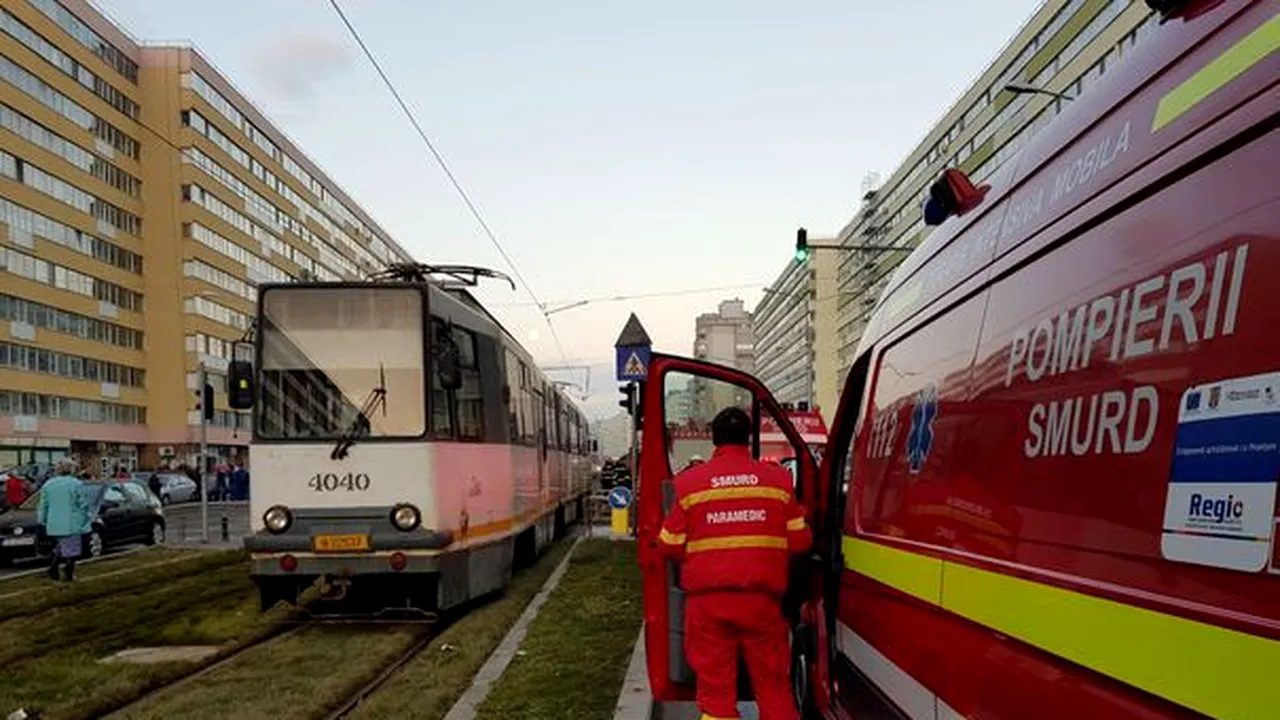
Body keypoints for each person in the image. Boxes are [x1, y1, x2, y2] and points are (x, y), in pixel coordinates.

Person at [658, 407, 812, 720]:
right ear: (748, 438)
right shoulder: (778, 481)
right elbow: (800, 542)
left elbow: (668, 544)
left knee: (715, 692)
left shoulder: (689, 484)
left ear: (714, 439)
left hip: (708, 606)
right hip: (763, 603)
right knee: (774, 686)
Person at [37, 459, 94, 582]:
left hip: (54, 523)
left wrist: (42, 521)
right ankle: (68, 572)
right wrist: (86, 517)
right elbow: (83, 504)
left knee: (61, 547)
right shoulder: (76, 484)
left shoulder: (48, 484)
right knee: (71, 549)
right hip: (72, 521)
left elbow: (43, 505)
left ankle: (54, 569)